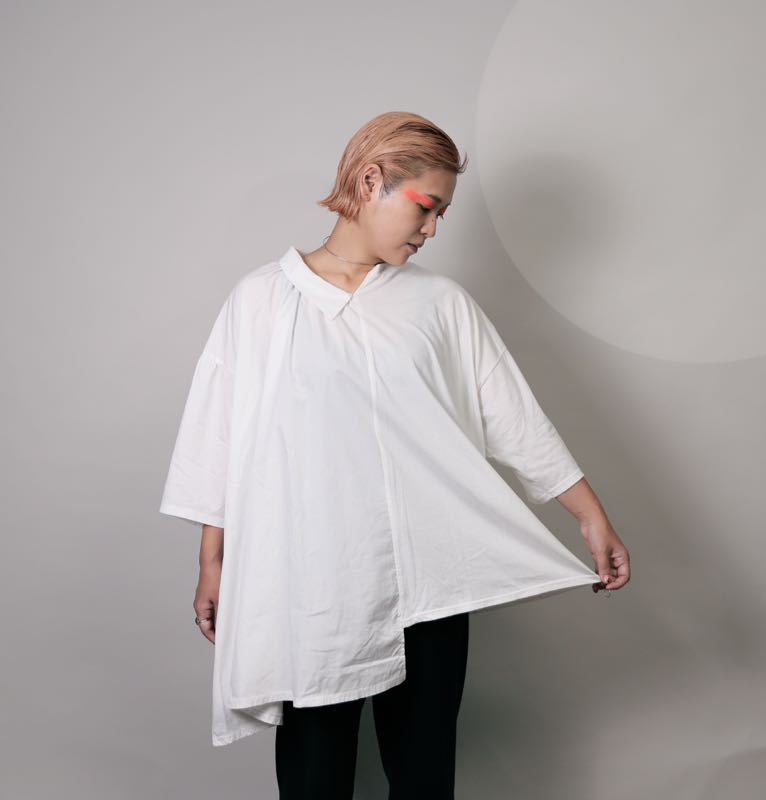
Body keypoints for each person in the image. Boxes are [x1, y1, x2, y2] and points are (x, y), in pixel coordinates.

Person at [159, 111, 630, 798]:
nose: (432, 229)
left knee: (423, 774)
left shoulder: (439, 304)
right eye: (426, 206)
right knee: (314, 775)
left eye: (441, 215)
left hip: (428, 583)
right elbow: (222, 435)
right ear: (371, 180)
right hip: (312, 584)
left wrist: (590, 515)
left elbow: (513, 418)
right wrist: (213, 560)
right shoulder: (260, 301)